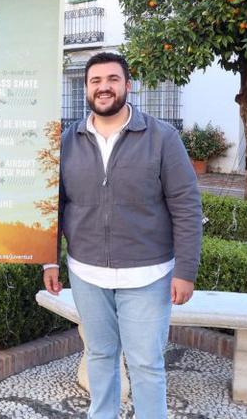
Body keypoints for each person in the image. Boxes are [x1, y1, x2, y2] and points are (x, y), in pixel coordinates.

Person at [43, 52, 202, 419]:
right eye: (95, 81)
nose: (104, 87)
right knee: (99, 356)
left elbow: (186, 205)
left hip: (148, 275)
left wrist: (186, 270)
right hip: (87, 274)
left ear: (127, 86)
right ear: (85, 88)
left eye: (112, 79)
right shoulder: (66, 142)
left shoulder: (162, 138)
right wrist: (51, 258)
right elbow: (55, 206)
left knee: (146, 364)